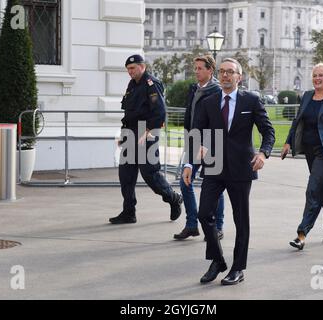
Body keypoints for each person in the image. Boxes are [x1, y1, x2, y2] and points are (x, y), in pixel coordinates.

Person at [182, 58, 275, 285]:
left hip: (242, 168)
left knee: (241, 220)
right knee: (204, 214)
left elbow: (268, 131)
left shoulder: (251, 100)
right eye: (222, 71)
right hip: (214, 165)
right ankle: (217, 260)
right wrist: (189, 163)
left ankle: (238, 268)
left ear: (239, 77)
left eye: (230, 72)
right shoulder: (209, 101)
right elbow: (196, 133)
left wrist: (263, 153)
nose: (225, 75)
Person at [281, 63, 323, 250]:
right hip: (310, 151)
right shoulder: (307, 96)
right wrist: (288, 142)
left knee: (312, 190)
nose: (317, 78)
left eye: (321, 75)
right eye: (315, 75)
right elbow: (298, 121)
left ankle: (301, 234)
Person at [110, 54, 183, 224]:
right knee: (126, 175)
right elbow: (128, 112)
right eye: (128, 69)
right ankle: (129, 212)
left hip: (146, 132)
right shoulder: (132, 84)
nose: (130, 72)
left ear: (142, 66)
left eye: (133, 68)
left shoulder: (151, 83)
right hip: (130, 133)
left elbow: (160, 112)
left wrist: (148, 130)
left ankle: (173, 198)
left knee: (150, 173)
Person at [174, 55, 225, 241]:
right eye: (194, 68)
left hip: (213, 143)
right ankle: (191, 224)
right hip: (193, 142)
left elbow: (219, 121)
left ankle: (218, 226)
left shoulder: (218, 91)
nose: (196, 71)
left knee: (215, 186)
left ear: (210, 70)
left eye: (199, 68)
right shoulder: (194, 89)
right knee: (184, 182)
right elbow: (190, 115)